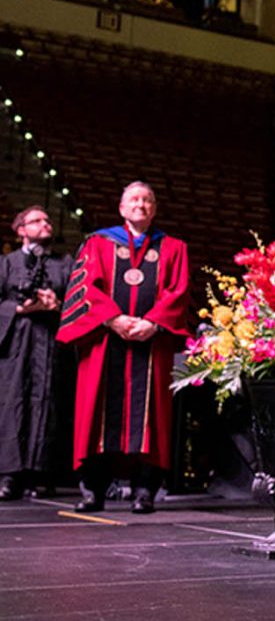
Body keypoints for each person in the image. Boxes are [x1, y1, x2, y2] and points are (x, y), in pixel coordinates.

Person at [57, 182, 190, 514]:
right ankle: (93, 491)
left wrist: (154, 323)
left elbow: (179, 291)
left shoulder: (174, 248)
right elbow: (85, 286)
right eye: (134, 199)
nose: (140, 205)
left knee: (151, 416)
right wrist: (113, 319)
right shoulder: (98, 243)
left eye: (147, 200)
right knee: (96, 410)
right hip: (105, 342)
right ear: (121, 207)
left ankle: (144, 491)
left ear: (155, 209)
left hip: (151, 343)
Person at [0, 207, 72, 501]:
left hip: (49, 344)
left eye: (48, 220)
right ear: (20, 230)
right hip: (15, 345)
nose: (46, 224)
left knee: (45, 404)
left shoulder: (65, 263)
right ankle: (8, 475)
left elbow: (77, 302)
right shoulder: (6, 264)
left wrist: (56, 304)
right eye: (37, 221)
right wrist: (18, 308)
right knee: (12, 403)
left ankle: (38, 473)